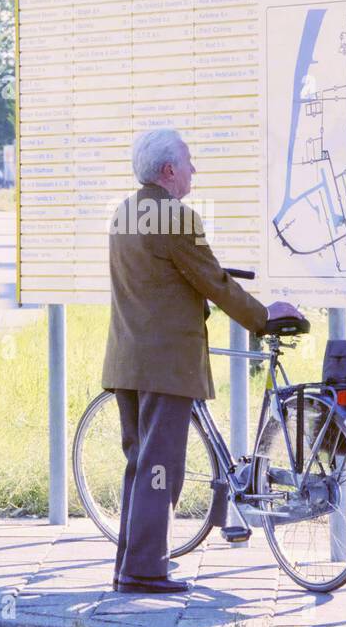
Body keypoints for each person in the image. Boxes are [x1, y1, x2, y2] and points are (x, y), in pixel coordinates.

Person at [102, 128, 303, 594]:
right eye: (189, 162)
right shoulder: (175, 218)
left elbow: (165, 281)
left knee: (139, 463)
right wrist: (263, 317)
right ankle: (145, 571)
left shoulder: (123, 213)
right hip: (166, 365)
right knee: (160, 469)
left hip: (126, 360)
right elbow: (214, 281)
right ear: (169, 170)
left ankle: (128, 565)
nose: (195, 170)